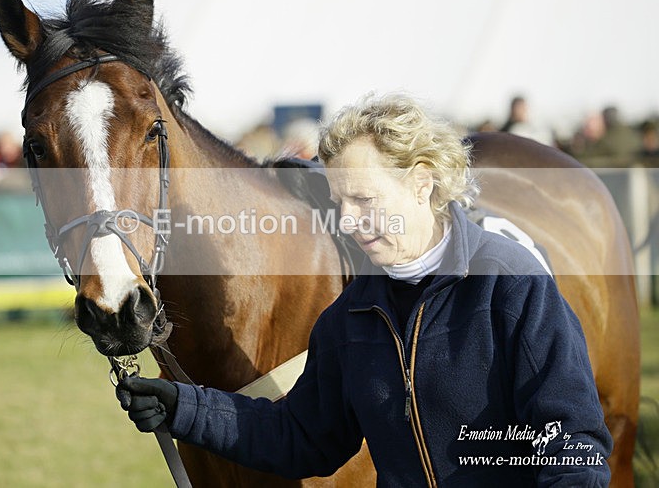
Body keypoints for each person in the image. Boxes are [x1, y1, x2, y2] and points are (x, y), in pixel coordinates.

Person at [116, 94, 612, 485]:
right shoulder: (349, 317)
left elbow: (573, 444)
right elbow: (302, 436)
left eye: (363, 199)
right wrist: (185, 407)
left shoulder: (512, 282)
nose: (347, 221)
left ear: (422, 183)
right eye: (339, 202)